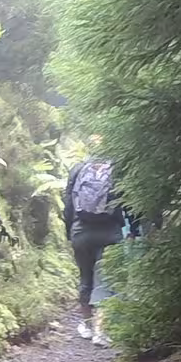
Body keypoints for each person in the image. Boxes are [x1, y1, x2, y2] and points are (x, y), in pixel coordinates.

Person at [62, 140, 129, 346]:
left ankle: (87, 326)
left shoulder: (78, 169)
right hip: (111, 231)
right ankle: (101, 331)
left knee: (85, 277)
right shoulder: (118, 171)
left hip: (81, 231)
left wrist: (69, 232)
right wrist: (132, 230)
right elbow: (128, 202)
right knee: (106, 280)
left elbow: (67, 205)